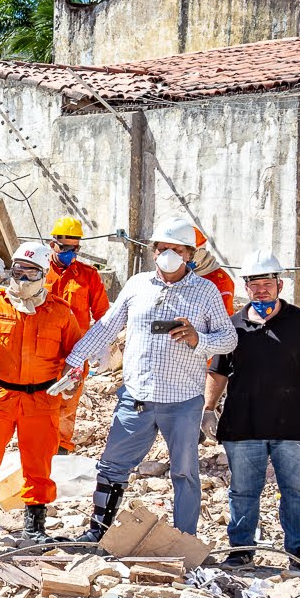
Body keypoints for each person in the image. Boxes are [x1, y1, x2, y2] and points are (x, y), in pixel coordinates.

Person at [64, 217, 236, 539]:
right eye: (163, 248)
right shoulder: (137, 285)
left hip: (183, 402)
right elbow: (106, 327)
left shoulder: (206, 291)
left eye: (177, 249)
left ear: (189, 255)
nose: (169, 253)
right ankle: (96, 533)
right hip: (137, 397)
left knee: (184, 473)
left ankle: (183, 540)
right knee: (112, 466)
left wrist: (199, 339)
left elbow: (229, 339)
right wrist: (73, 360)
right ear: (153, 251)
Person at [0, 241, 86, 545]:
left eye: (29, 271)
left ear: (43, 274)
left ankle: (34, 525)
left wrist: (73, 378)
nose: (21, 277)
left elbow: (79, 355)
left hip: (42, 398)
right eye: (17, 269)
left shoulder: (60, 313)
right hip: (0, 395)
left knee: (38, 464)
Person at [205, 253, 300, 570]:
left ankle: (299, 554)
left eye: (267, 284)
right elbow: (217, 372)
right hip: (243, 426)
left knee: (297, 492)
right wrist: (207, 408)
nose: (261, 291)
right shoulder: (233, 326)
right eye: (254, 285)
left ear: (279, 285)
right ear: (246, 287)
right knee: (243, 492)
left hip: (296, 426)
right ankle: (242, 550)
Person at [44, 216, 109, 454]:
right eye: (65, 248)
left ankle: (61, 447)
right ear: (52, 244)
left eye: (75, 248)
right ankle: (35, 444)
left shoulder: (88, 275)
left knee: (68, 401)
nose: (70, 253)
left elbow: (103, 314)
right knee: (38, 400)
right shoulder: (38, 271)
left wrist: (102, 346)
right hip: (41, 350)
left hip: (75, 351)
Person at [191, 227, 237, 315]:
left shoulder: (221, 281)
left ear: (201, 251)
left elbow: (224, 321)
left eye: (191, 253)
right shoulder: (177, 274)